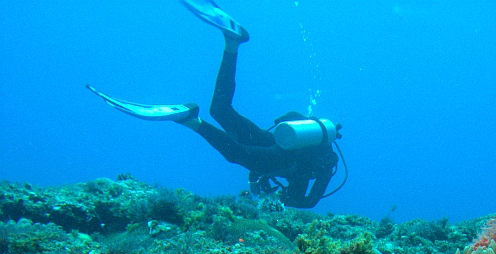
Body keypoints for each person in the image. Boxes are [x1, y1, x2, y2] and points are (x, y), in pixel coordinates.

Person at [88, 0, 342, 209]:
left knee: (220, 110)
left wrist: (263, 178)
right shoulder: (322, 168)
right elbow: (308, 201)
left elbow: (273, 143)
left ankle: (232, 44)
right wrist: (278, 198)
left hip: (273, 141)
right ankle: (190, 120)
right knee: (236, 154)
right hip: (282, 155)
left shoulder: (314, 153)